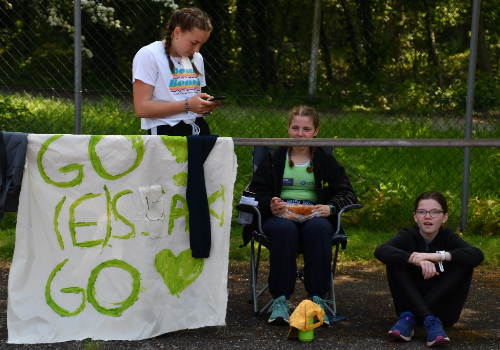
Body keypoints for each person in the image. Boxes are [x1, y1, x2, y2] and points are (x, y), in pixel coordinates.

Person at [248, 106, 357, 325]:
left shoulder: (325, 161)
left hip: (315, 216)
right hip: (279, 217)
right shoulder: (273, 158)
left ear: (316, 131)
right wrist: (270, 204)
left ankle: (316, 302)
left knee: (319, 228)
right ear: (288, 128)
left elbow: (347, 194)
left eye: (306, 129)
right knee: (284, 229)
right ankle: (280, 300)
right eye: (295, 128)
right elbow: (254, 193)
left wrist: (330, 208)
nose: (300, 133)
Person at [374, 191, 484, 347]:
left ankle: (419, 315)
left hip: (441, 314)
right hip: (405, 312)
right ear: (415, 216)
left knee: (466, 261)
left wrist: (436, 256)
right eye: (422, 212)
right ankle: (423, 317)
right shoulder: (407, 235)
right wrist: (415, 259)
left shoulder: (448, 237)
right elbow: (380, 251)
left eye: (434, 212)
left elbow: (477, 255)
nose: (427, 216)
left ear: (444, 217)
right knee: (393, 259)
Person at [132, 7, 220, 136]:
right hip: (166, 132)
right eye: (194, 42)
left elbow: (192, 102)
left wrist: (204, 107)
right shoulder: (149, 54)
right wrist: (187, 105)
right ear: (177, 32)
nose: (197, 49)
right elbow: (141, 109)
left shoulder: (197, 58)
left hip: (199, 129)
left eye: (201, 44)